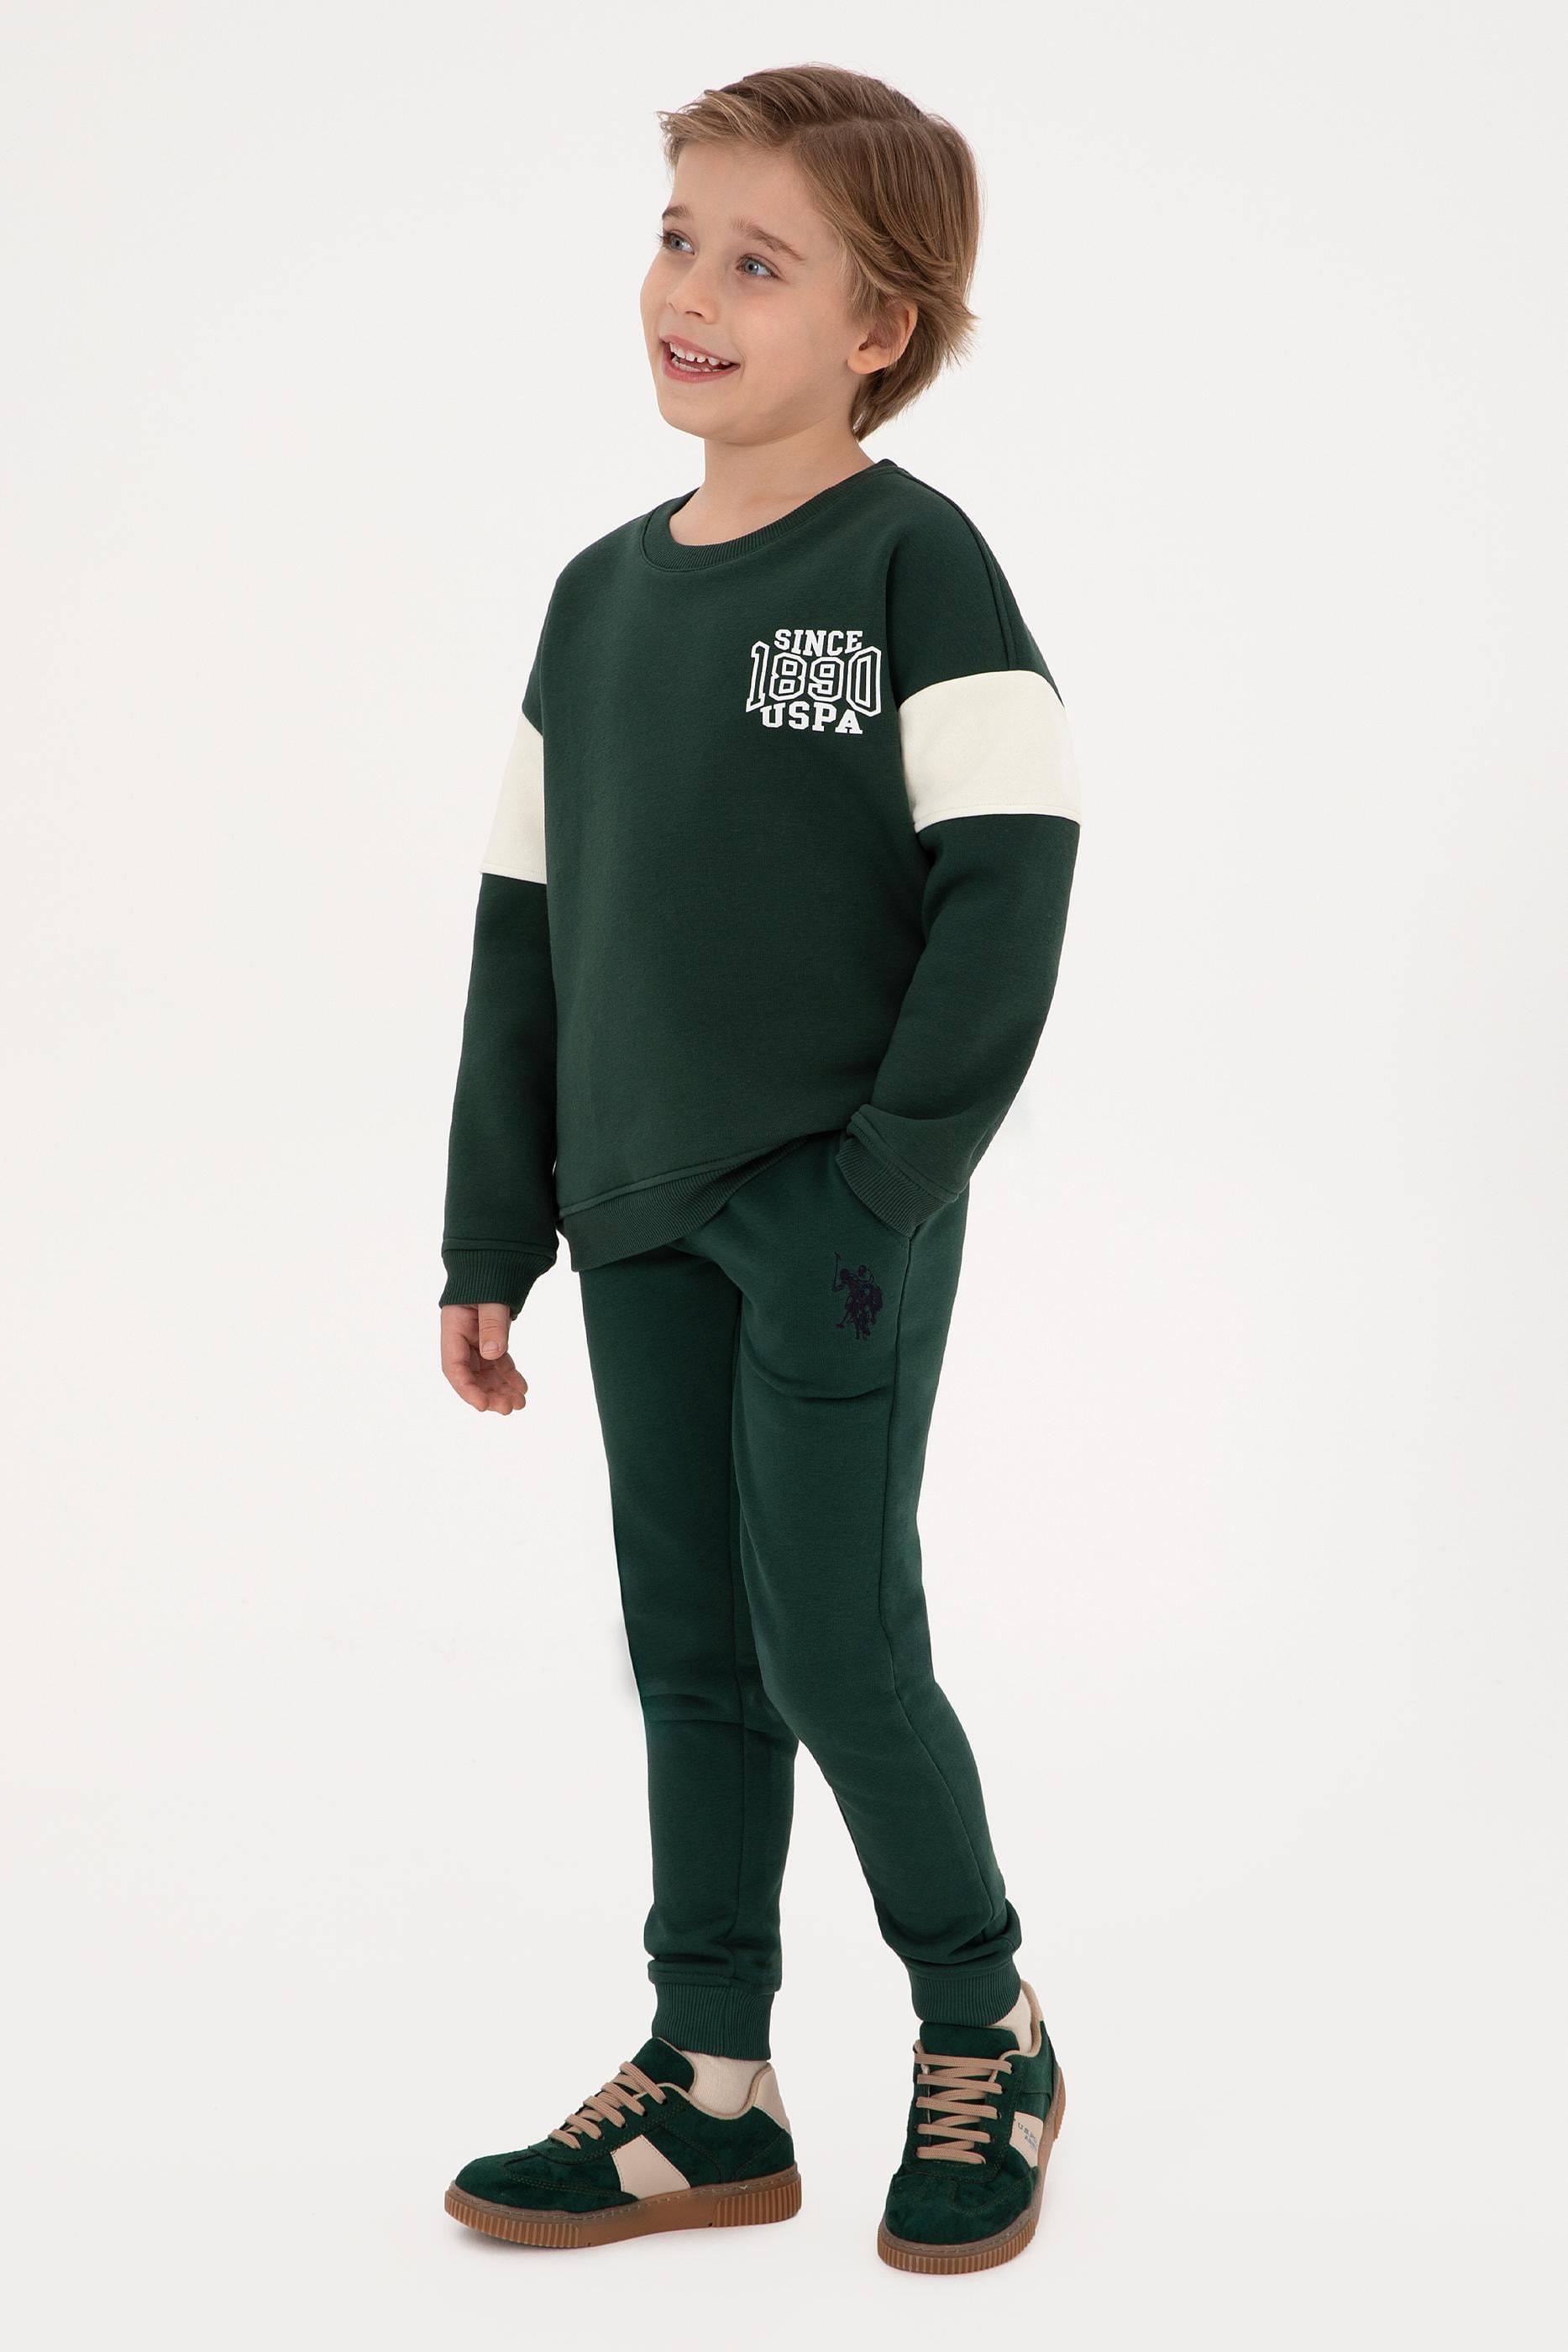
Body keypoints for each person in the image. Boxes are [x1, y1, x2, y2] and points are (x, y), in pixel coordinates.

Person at [436, 62, 1080, 2275]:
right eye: (675, 239)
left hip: (827, 1226)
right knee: (694, 1653)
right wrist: (490, 1228)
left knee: (834, 1646)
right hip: (629, 1214)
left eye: (757, 262)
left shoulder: (912, 563)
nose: (688, 294)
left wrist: (880, 1185)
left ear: (877, 326)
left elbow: (1010, 876)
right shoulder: (594, 601)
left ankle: (983, 2020)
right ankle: (710, 2084)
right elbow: (525, 932)